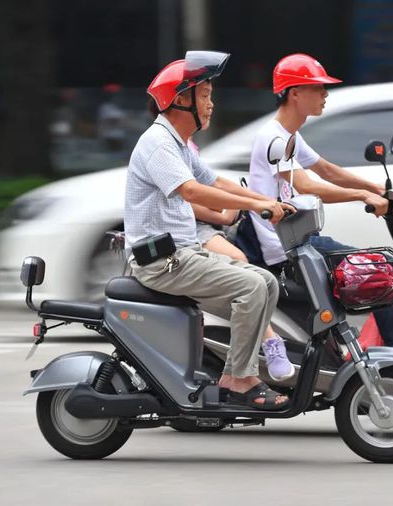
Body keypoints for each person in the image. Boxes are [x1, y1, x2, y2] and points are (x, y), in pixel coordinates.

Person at [247, 53, 393, 366]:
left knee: (378, 267)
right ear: (294, 93)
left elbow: (327, 170)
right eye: (317, 88)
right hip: (285, 251)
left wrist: (380, 190)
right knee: (376, 270)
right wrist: (361, 196)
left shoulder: (290, 136)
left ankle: (390, 352)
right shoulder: (272, 138)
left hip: (299, 242)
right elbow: (308, 186)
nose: (325, 95)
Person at [125, 51, 296, 410]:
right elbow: (190, 190)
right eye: (204, 96)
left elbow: (216, 180)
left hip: (184, 254)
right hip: (162, 260)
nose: (211, 104)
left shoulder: (177, 144)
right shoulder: (157, 143)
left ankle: (239, 372)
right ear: (180, 100)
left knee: (263, 282)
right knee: (251, 285)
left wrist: (267, 201)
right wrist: (257, 206)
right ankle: (238, 378)